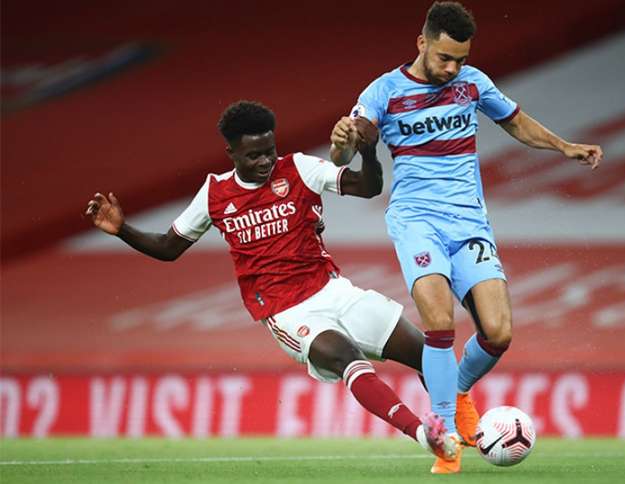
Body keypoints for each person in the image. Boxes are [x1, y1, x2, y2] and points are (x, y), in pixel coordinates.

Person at [85, 100, 459, 464]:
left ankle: (463, 429)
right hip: (287, 311)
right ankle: (424, 434)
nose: (265, 161)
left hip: (335, 290)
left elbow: (367, 187)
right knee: (348, 359)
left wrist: (369, 152)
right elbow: (168, 247)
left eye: (269, 150)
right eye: (253, 155)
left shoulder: (299, 168)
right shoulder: (215, 194)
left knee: (431, 357)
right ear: (231, 152)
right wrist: (122, 230)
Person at [329, 1, 603, 474]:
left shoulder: (472, 84)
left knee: (498, 332)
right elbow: (353, 141)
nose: (452, 68)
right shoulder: (384, 91)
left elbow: (514, 120)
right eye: (444, 58)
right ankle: (444, 435)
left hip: (470, 222)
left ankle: (455, 390)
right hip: (417, 220)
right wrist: (342, 143)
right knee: (439, 320)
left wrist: (564, 146)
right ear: (422, 43)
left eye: (459, 59)